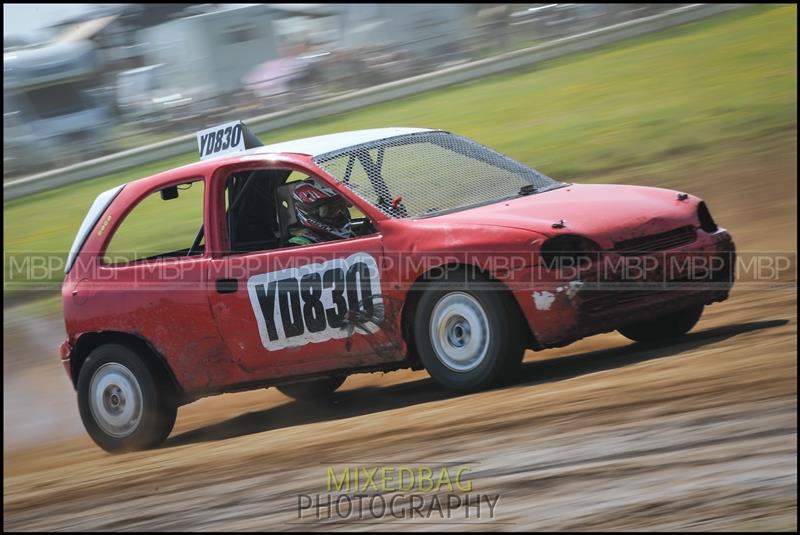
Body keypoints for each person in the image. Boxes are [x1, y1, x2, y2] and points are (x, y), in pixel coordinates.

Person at [288, 179, 354, 246]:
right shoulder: (300, 244)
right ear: (311, 211)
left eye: (341, 206)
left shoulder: (346, 234)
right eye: (331, 210)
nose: (338, 212)